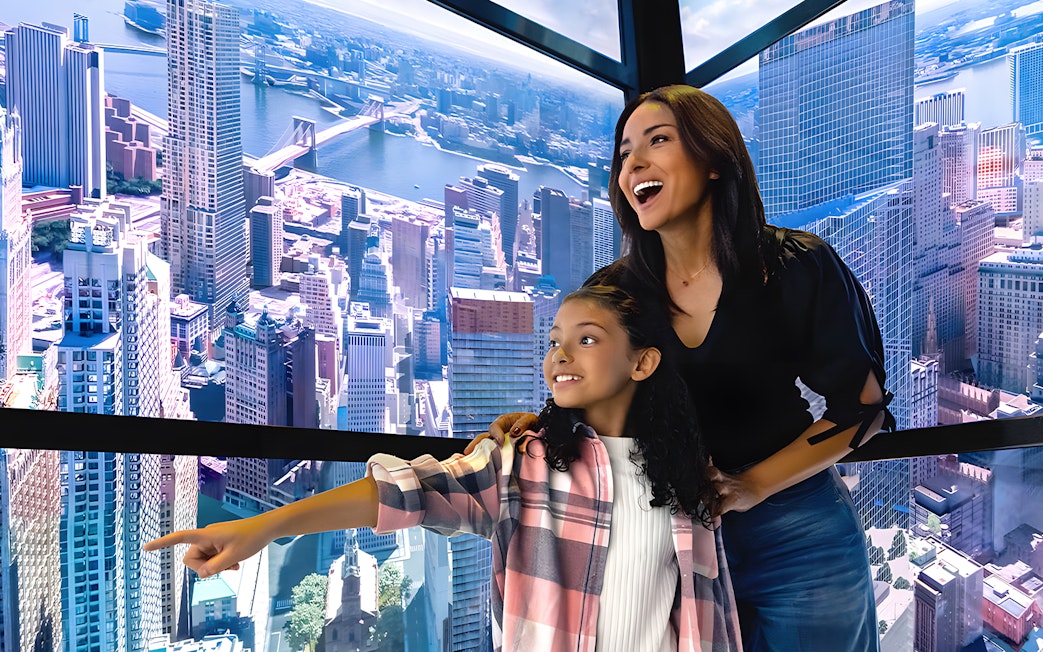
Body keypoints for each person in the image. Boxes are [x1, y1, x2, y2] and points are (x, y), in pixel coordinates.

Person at [480, 84, 895, 651]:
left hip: (799, 532)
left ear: (715, 161)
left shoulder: (795, 266)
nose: (634, 164)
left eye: (658, 140)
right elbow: (589, 395)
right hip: (665, 534)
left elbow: (862, 409)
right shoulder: (614, 292)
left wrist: (751, 485)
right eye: (625, 152)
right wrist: (530, 424)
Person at [144, 282, 743, 652]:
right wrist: (262, 528)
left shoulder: (688, 480)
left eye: (586, 339)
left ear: (643, 362)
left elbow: (706, 616)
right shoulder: (522, 465)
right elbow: (406, 492)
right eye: (554, 338)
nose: (558, 352)